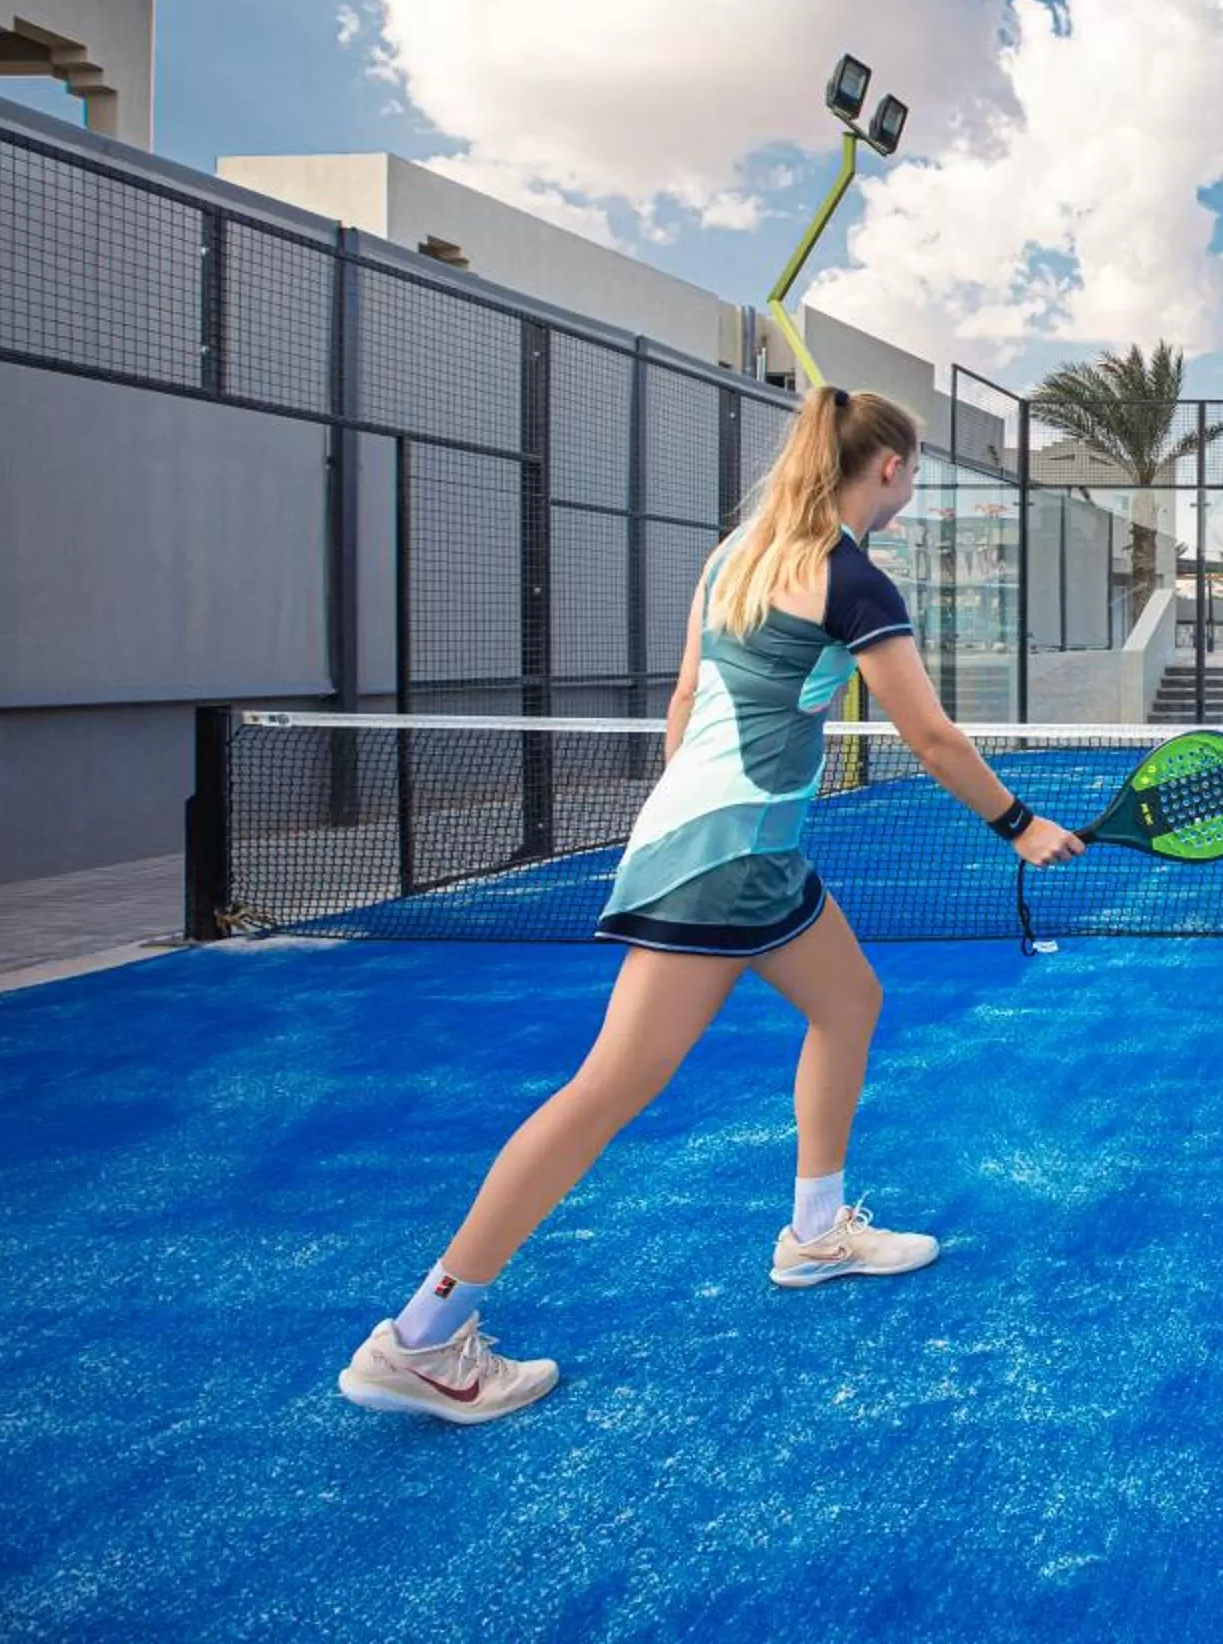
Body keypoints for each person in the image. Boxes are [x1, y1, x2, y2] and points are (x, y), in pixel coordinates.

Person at [338, 387, 1082, 1424]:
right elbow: (931, 736)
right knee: (607, 1088)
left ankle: (815, 1234)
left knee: (849, 1002)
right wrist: (1020, 825)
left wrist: (703, 812)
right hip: (723, 859)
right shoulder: (851, 581)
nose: (912, 486)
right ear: (889, 469)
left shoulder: (735, 554)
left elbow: (685, 701)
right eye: (914, 470)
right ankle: (424, 1335)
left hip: (739, 847)